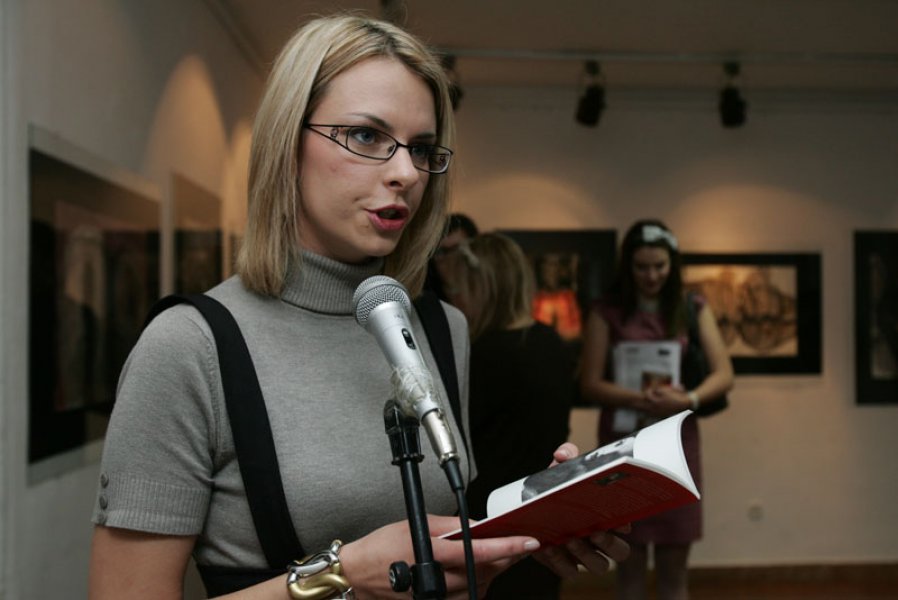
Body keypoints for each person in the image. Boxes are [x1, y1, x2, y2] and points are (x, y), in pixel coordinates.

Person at [87, 14, 629, 600]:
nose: (405, 173)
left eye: (422, 149)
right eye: (367, 136)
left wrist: (534, 526)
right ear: (287, 143)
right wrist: (341, 576)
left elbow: (439, 536)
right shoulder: (189, 346)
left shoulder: (440, 329)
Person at [580, 219, 733, 600]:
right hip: (624, 446)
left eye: (660, 266)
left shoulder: (691, 307)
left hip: (676, 446)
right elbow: (589, 382)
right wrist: (639, 398)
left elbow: (724, 374)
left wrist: (688, 400)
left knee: (674, 568)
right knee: (628, 566)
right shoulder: (606, 311)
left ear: (672, 264)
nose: (651, 275)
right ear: (627, 267)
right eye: (642, 267)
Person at [456, 233, 575, 599]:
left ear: (482, 287)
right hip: (544, 507)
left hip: (490, 511)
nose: (456, 297)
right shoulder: (550, 342)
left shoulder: (481, 353)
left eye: (462, 287)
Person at [424, 212, 479, 305]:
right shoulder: (429, 301)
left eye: (458, 249)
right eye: (441, 252)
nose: (451, 259)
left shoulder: (491, 290)